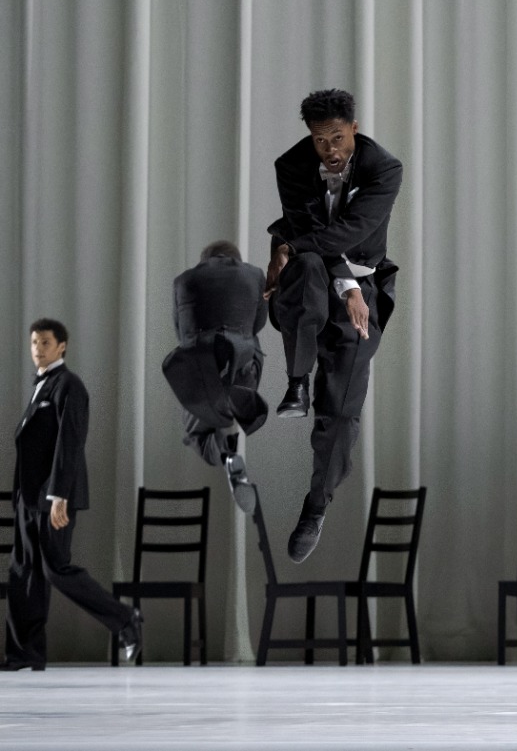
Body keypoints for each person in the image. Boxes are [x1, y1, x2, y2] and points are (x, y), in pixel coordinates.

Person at [264, 88, 403, 562]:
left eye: (338, 137)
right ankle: (296, 381)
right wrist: (291, 247)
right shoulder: (291, 166)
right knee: (303, 267)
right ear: (310, 137)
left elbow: (347, 234)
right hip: (310, 287)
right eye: (321, 140)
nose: (331, 149)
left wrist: (283, 240)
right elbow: (309, 239)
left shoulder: (384, 169)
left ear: (354, 130)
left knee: (341, 415)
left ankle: (316, 504)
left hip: (361, 298)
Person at [6, 320, 143, 670]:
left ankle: (125, 619)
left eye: (46, 342)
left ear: (62, 346)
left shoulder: (70, 385)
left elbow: (70, 444)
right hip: (27, 497)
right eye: (34, 342)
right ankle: (25, 653)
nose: (38, 348)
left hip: (51, 497)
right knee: (24, 571)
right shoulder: (41, 386)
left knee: (56, 569)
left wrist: (58, 496)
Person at [161, 240, 268, 515]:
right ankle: (236, 406)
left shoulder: (183, 281)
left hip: (202, 371)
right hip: (243, 367)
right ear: (237, 259)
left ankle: (224, 449)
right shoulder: (254, 275)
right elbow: (258, 323)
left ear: (204, 261)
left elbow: (182, 334)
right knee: (248, 340)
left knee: (196, 431)